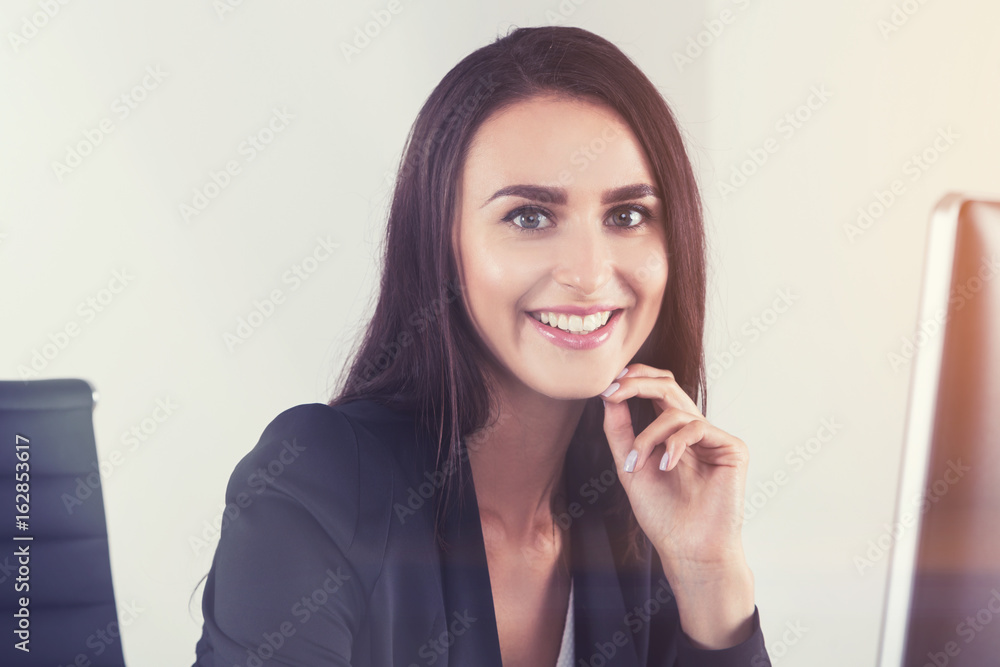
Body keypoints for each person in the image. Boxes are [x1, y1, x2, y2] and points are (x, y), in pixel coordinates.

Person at [192, 25, 772, 667]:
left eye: (627, 216)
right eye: (529, 216)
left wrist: (709, 572)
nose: (588, 272)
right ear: (442, 248)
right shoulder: (322, 483)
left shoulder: (639, 515)